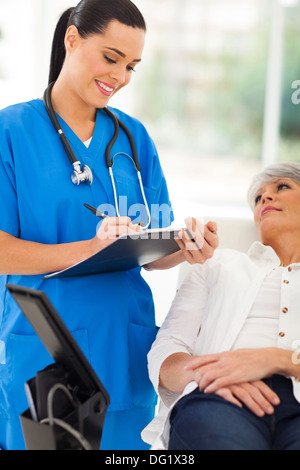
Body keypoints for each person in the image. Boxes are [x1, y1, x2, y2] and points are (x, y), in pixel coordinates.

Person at [0, 0, 218, 450]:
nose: (119, 77)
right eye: (111, 58)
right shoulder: (12, 131)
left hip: (126, 346)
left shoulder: (134, 138)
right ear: (72, 40)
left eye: (132, 66)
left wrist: (186, 245)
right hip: (51, 348)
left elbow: (151, 251)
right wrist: (88, 248)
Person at [142, 162, 300, 450]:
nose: (265, 197)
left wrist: (279, 360)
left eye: (282, 187)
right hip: (222, 397)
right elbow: (165, 353)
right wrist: (208, 374)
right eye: (257, 197)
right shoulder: (216, 265)